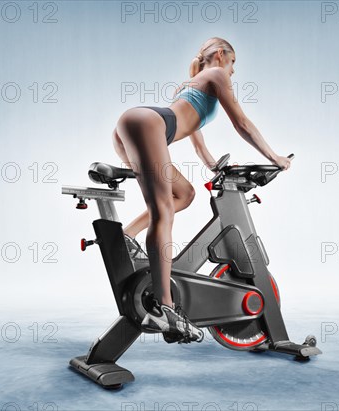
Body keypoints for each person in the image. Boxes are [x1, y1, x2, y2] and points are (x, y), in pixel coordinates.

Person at [113, 37, 291, 343]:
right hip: (146, 124)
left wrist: (213, 164)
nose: (232, 72)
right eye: (233, 63)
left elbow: (195, 139)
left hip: (135, 126)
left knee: (184, 194)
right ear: (221, 55)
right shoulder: (217, 74)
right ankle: (165, 307)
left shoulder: (188, 84)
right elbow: (242, 123)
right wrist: (274, 157)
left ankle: (126, 235)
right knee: (163, 211)